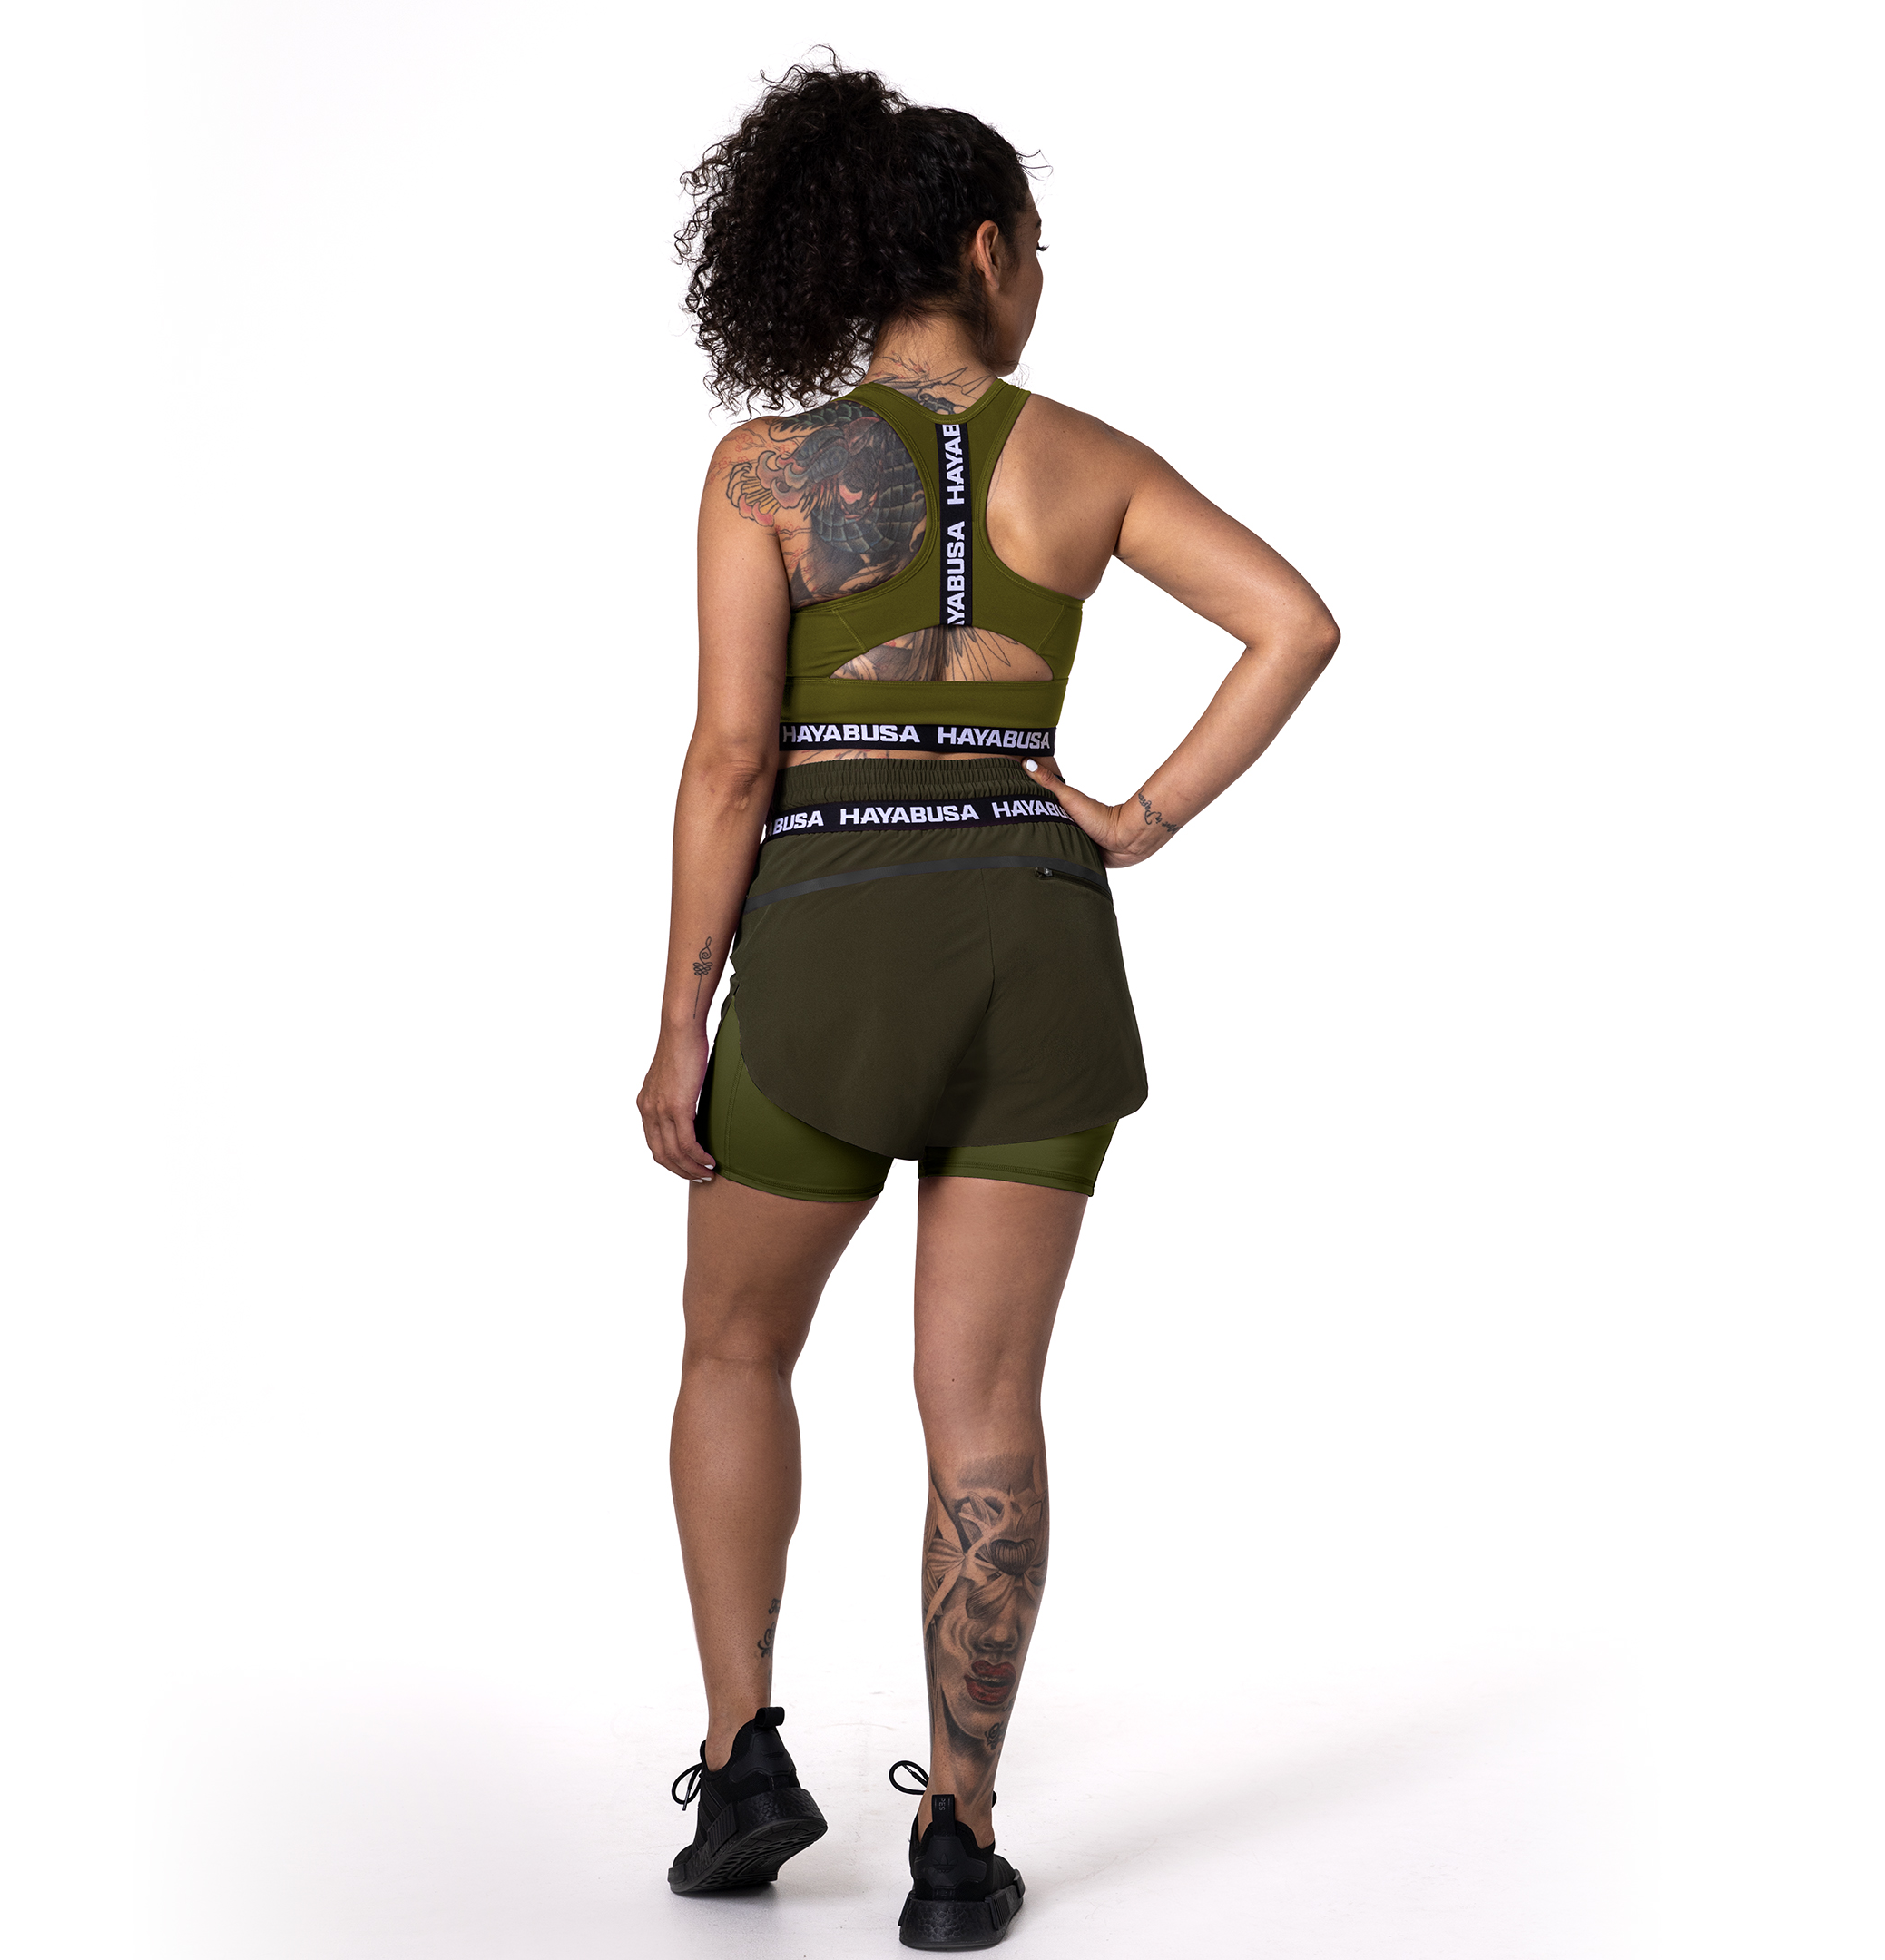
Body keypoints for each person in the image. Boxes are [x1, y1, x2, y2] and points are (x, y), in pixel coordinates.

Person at [637, 58, 1340, 1950]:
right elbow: (1295, 622)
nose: (1041, 278)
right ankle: (959, 1839)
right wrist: (1135, 821)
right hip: (1034, 938)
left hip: (831, 943)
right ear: (981, 248)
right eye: (1038, 247)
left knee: (734, 1352)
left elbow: (731, 758)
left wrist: (683, 1016)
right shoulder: (1086, 460)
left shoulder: (764, 472)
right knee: (986, 1407)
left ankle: (745, 1760)